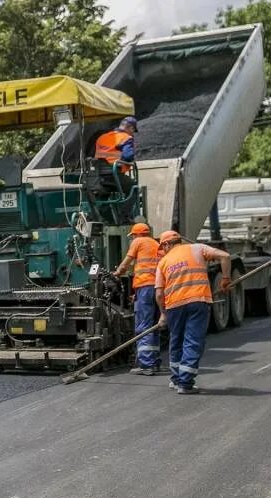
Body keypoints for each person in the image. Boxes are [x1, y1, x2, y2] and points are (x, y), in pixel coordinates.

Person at [154, 230, 231, 394]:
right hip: (197, 301)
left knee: (176, 341)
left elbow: (159, 293)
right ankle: (185, 383)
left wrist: (163, 314)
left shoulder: (163, 262)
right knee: (193, 341)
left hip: (174, 306)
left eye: (163, 247)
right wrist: (225, 279)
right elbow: (225, 256)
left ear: (167, 244)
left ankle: (176, 380)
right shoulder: (197, 248)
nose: (163, 250)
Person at [113, 222, 162, 375]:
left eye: (132, 235)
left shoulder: (138, 242)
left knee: (143, 325)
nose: (132, 238)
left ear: (137, 234)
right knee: (154, 325)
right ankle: (154, 362)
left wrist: (116, 274)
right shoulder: (156, 244)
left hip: (145, 286)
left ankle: (146, 365)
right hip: (158, 287)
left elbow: (127, 262)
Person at [95, 116, 138, 195]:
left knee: (104, 197)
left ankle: (102, 207)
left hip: (99, 176)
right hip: (114, 175)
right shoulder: (126, 138)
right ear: (131, 127)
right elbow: (128, 156)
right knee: (133, 188)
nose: (133, 133)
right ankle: (127, 208)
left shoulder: (101, 137)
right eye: (133, 130)